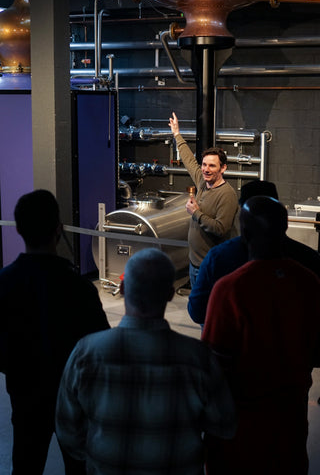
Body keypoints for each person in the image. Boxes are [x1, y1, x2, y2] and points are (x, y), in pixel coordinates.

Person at [55, 248, 236, 475]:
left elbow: (67, 430)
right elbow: (225, 426)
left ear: (122, 289)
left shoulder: (87, 353)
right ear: (170, 294)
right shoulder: (199, 358)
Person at [202, 196, 320, 475]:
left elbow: (211, 365)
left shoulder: (230, 289)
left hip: (240, 427)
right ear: (285, 228)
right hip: (290, 419)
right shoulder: (309, 282)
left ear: (244, 233)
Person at [0, 189, 110, 475]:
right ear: (59, 231)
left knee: (25, 464)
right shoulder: (80, 289)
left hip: (24, 396)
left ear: (20, 230)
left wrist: (16, 368)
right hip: (74, 398)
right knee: (79, 466)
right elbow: (102, 347)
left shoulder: (5, 284)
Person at [188, 180, 320, 325]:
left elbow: (197, 312)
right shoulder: (309, 260)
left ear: (242, 221)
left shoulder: (219, 258)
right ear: (284, 222)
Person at [168, 112, 238, 287]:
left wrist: (196, 213)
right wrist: (177, 134)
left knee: (208, 311)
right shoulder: (202, 181)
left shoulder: (227, 194)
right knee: (199, 309)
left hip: (212, 266)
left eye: (212, 166)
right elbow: (189, 160)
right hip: (195, 264)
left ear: (223, 168)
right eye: (204, 164)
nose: (206, 169)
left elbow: (221, 228)